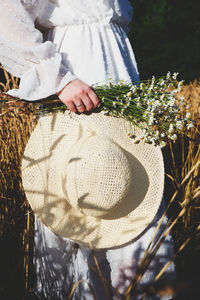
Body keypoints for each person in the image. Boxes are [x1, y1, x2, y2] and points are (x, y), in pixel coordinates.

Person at [0, 1, 175, 299]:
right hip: (78, 72)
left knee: (131, 195)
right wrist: (59, 79)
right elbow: (7, 11)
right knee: (79, 196)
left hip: (118, 68)